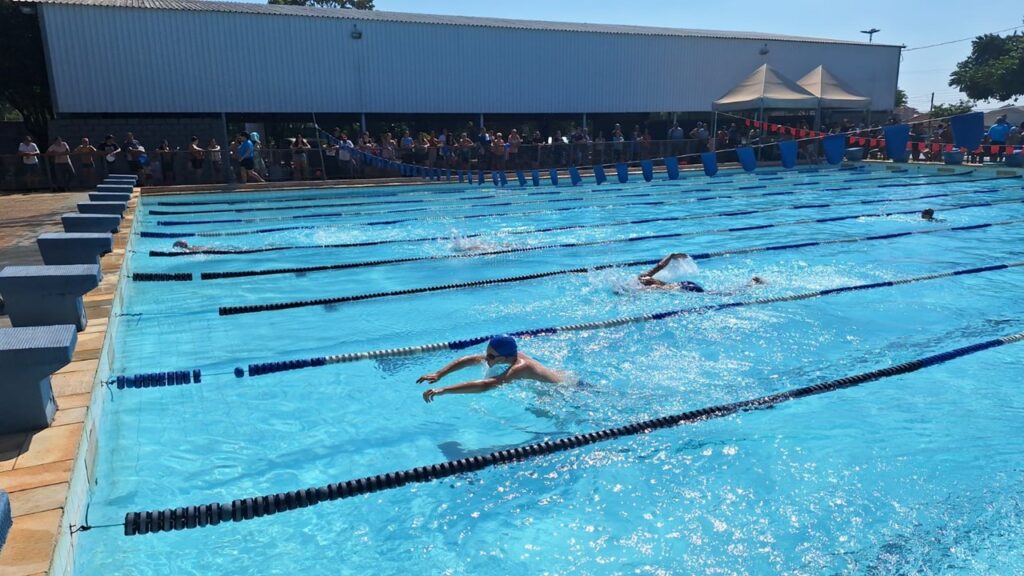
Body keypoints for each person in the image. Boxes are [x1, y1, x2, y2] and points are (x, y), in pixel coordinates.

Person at [418, 335, 565, 403]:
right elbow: (470, 359)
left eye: (491, 357)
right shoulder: (507, 356)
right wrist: (439, 374)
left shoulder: (520, 367)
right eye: (487, 354)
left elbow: (487, 384)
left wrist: (445, 390)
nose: (486, 359)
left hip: (566, 389)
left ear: (505, 357)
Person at [637, 253, 764, 293]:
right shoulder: (645, 276)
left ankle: (751, 285)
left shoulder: (647, 284)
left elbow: (659, 268)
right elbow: (660, 266)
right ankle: (750, 284)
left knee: (722, 294)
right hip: (685, 284)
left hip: (683, 288)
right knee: (719, 293)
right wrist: (672, 255)